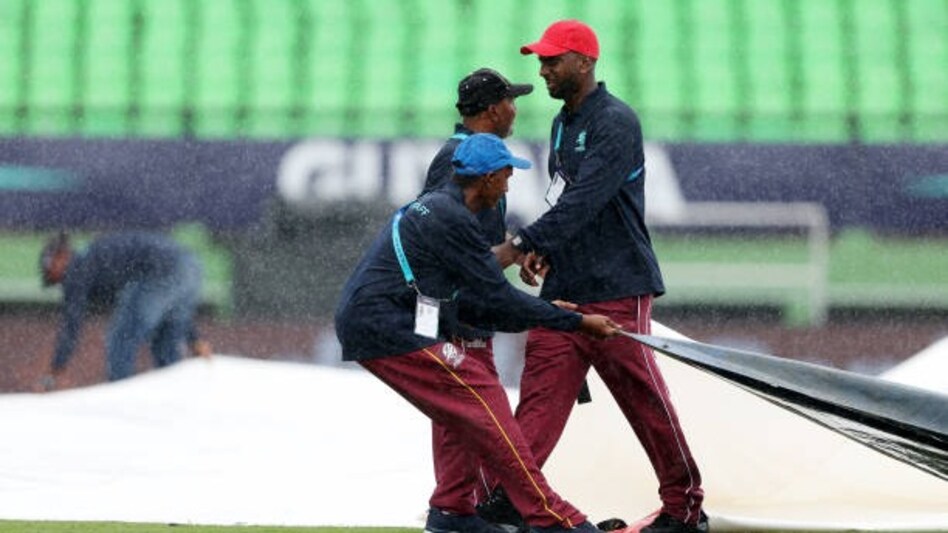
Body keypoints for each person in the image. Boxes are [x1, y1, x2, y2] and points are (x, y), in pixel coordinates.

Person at [486, 20, 709, 533]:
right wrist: (547, 251)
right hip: (565, 290)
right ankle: (510, 502)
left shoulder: (616, 122)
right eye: (541, 61)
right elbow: (564, 199)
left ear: (584, 62)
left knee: (645, 404)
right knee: (539, 403)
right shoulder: (563, 122)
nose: (543, 70)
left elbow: (587, 199)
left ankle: (685, 508)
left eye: (552, 60)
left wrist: (521, 245)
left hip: (617, 287)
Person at [334, 133, 620, 533]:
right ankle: (555, 520)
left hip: (378, 322)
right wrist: (574, 321)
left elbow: (479, 304)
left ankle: (452, 514)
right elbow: (498, 298)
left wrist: (548, 314)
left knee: (465, 405)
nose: (507, 188)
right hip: (386, 326)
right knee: (485, 397)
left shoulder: (440, 209)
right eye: (505, 178)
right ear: (487, 179)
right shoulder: (454, 220)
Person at [422, 67, 533, 513]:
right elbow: (442, 237)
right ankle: (458, 508)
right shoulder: (457, 158)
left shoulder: (468, 155)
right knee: (468, 411)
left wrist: (514, 252)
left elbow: (470, 236)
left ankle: (462, 507)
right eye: (510, 100)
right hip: (458, 311)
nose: (515, 109)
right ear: (492, 110)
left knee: (467, 411)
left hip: (464, 308)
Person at [41, 231, 212, 384]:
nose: (60, 283)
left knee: (120, 340)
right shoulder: (95, 255)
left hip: (162, 271)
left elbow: (72, 323)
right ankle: (175, 399)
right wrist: (194, 339)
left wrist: (56, 369)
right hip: (190, 266)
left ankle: (121, 400)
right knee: (165, 345)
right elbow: (170, 302)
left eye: (51, 272)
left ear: (62, 257)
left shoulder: (78, 266)